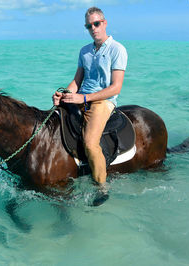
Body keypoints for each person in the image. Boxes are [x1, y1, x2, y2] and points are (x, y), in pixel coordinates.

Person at [52, 7, 128, 186]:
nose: (93, 28)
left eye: (96, 23)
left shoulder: (117, 49)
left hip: (103, 101)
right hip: (81, 97)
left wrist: (84, 99)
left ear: (104, 23)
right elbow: (76, 81)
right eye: (89, 26)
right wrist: (64, 95)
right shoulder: (84, 51)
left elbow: (116, 87)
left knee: (90, 143)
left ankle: (102, 187)